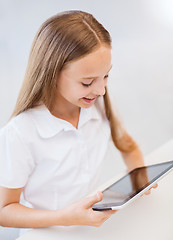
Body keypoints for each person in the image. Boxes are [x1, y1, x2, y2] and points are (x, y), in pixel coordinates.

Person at [0, 10, 155, 231]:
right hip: (48, 233)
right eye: (87, 82)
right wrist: (64, 217)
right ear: (51, 74)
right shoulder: (20, 133)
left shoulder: (96, 105)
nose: (101, 90)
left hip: (93, 227)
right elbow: (4, 210)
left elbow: (127, 145)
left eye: (106, 76)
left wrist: (140, 176)